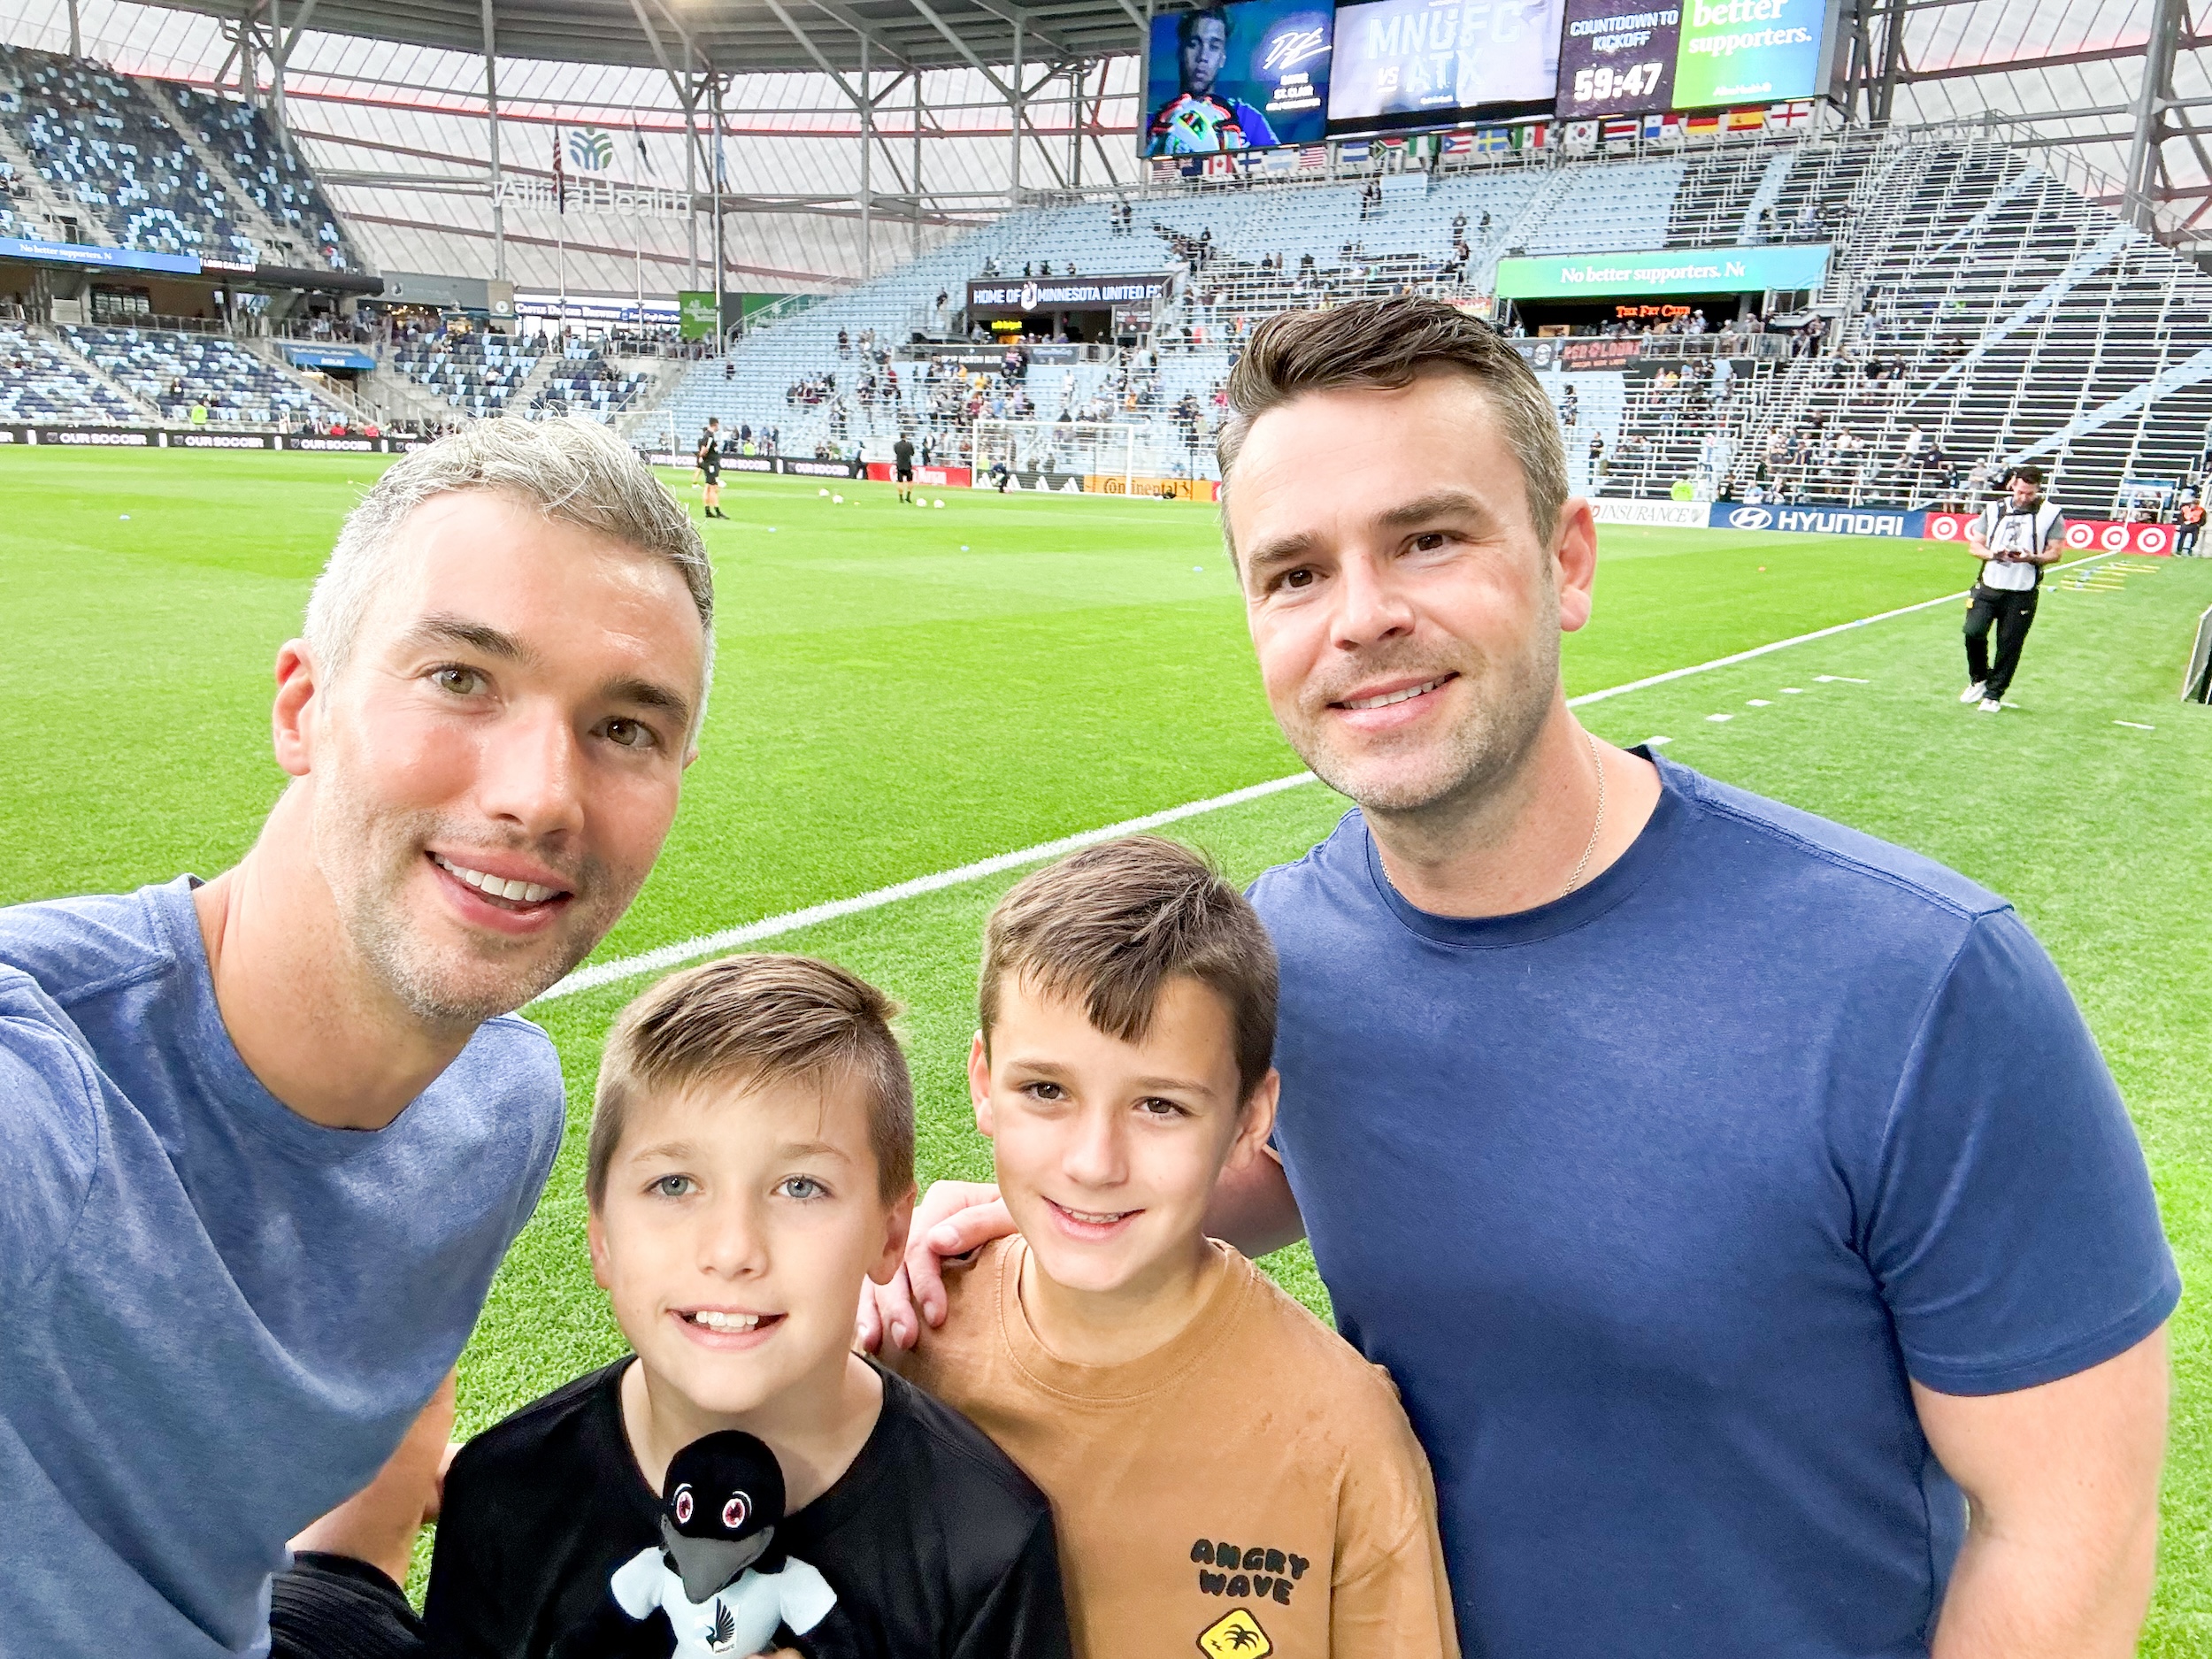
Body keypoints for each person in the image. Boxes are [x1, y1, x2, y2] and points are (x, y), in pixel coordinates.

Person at [868, 297, 2176, 1659]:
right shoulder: (1284, 952)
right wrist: (1013, 1225)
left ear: (1568, 561)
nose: (1362, 616)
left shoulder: (1922, 984)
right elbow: (1306, 1163)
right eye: (1296, 572)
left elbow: (2064, 1529)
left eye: (1427, 539)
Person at [0, 419, 716, 1656]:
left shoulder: (500, 1105)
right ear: (304, 706)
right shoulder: (49, 1087)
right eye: (459, 676)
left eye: (626, 727)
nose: (540, 793)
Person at [886, 838, 1456, 1659]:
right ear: (982, 1082)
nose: (1093, 1162)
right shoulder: (897, 1347)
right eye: (1045, 1090)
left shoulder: (1343, 1438)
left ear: (1251, 1120)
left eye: (1159, 1105)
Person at [425, 955, 1071, 1658]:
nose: (733, 1250)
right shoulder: (503, 1495)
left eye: (799, 1186)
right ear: (602, 1236)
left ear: (890, 1232)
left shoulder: (984, 1535)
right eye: (674, 1184)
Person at [1961, 464, 2064, 712]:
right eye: (2020, 492)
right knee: (1972, 632)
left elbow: (2056, 552)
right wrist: (1993, 554)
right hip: (1989, 584)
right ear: (2012, 485)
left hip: (2022, 591)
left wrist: (2032, 557)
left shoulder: (2050, 513)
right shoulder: (1994, 509)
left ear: (2038, 490)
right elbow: (1975, 546)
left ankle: (1994, 694)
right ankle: (1979, 678)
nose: (2023, 498)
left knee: (2009, 644)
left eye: (2029, 494)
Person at [1145, 6, 1277, 156]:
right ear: (1180, 51)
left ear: (1222, 58)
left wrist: (1236, 162)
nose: (1203, 57)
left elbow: (1285, 165)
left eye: (1213, 47)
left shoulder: (1247, 117)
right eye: (1194, 44)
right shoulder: (1152, 122)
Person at [697, 426, 726, 519]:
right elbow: (703, 451)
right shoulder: (708, 438)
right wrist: (703, 458)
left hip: (708, 464)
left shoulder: (704, 438)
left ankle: (708, 511)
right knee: (713, 488)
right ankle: (717, 511)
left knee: (708, 487)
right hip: (711, 465)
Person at [2177, 490, 2204, 557]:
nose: (2194, 506)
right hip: (2185, 524)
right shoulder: (2185, 508)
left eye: (2196, 505)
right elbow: (2180, 516)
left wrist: (2199, 525)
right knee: (2182, 537)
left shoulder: (2201, 510)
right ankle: (2179, 550)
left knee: (2195, 538)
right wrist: (2182, 523)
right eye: (2193, 505)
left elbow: (2203, 519)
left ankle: (2190, 549)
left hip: (2195, 525)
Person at [893, 432, 917, 503]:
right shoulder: (909, 445)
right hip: (907, 465)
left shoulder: (896, 445)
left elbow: (896, 452)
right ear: (905, 437)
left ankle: (901, 498)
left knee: (900, 482)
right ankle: (908, 497)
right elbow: (912, 453)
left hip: (899, 465)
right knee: (910, 481)